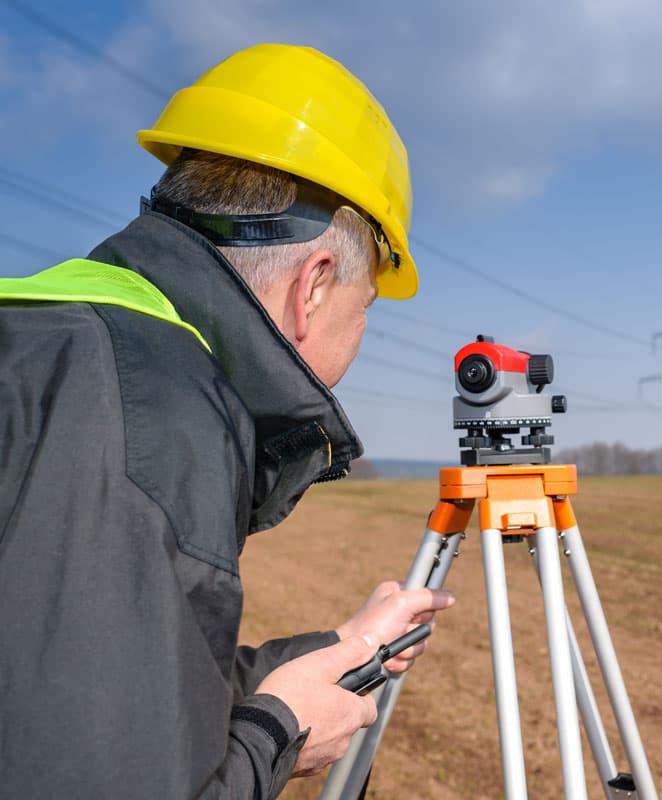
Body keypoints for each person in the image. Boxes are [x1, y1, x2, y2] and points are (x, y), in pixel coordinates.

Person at [0, 44, 455, 798]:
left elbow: (81, 681)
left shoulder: (55, 338)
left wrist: (339, 648)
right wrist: (279, 733)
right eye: (365, 306)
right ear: (314, 287)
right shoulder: (152, 418)